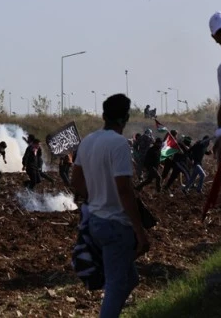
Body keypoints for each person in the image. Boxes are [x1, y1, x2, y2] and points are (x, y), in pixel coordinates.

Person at [71, 94, 150, 318]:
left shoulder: (87, 141)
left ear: (104, 116)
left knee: (130, 279)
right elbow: (125, 191)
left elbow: (76, 180)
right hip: (116, 224)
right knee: (116, 286)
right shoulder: (119, 144)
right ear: (125, 118)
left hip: (95, 222)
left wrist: (94, 196)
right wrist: (140, 231)